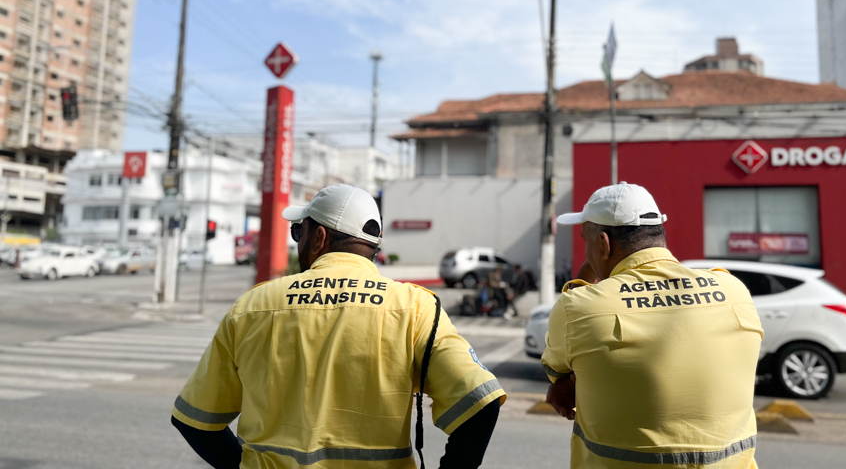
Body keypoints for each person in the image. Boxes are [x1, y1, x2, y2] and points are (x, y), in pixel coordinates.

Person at [172, 184, 506, 469]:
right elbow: (480, 403)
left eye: (297, 232)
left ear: (318, 237)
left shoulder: (252, 306)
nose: (297, 242)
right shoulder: (414, 308)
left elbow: (195, 421)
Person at [542, 182, 763, 468]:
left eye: (586, 240)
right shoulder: (734, 290)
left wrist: (589, 281)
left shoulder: (579, 306)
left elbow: (559, 375)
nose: (587, 251)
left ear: (603, 244)